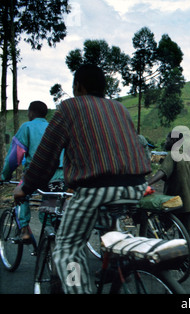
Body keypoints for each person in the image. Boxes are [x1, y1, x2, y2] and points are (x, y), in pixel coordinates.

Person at [13, 64, 151, 294]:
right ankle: (119, 267)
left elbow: (46, 156)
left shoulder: (70, 107)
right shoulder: (119, 108)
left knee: (68, 249)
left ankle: (79, 289)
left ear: (79, 86)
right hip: (136, 186)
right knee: (111, 236)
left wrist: (26, 188)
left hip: (96, 189)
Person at [1, 101, 63, 241]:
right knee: (48, 211)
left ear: (31, 112)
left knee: (20, 194)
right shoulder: (54, 128)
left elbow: (14, 157)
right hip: (59, 176)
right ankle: (49, 242)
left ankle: (24, 230)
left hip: (38, 175)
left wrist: (4, 175)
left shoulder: (27, 127)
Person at [147, 131, 190, 245]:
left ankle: (154, 250)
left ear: (174, 141)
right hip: (187, 201)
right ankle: (188, 257)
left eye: (167, 139)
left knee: (158, 228)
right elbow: (181, 176)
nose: (166, 142)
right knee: (187, 233)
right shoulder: (186, 156)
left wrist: (147, 183)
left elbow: (162, 173)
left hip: (174, 201)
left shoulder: (172, 154)